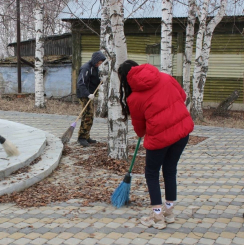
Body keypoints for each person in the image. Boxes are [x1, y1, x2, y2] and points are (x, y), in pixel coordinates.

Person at [118, 60, 194, 229]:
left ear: (126, 79)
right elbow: (182, 96)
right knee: (170, 169)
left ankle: (157, 216)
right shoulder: (166, 78)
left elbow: (139, 130)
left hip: (160, 138)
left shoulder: (134, 98)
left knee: (151, 172)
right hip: (182, 132)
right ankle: (169, 211)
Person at [76, 51, 106, 147]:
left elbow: (93, 81)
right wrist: (87, 94)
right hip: (84, 95)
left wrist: (100, 81)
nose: (99, 64)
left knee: (90, 116)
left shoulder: (94, 68)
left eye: (101, 63)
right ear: (95, 60)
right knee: (87, 115)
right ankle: (81, 137)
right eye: (99, 62)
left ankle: (86, 135)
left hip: (90, 94)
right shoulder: (86, 68)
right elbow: (81, 83)